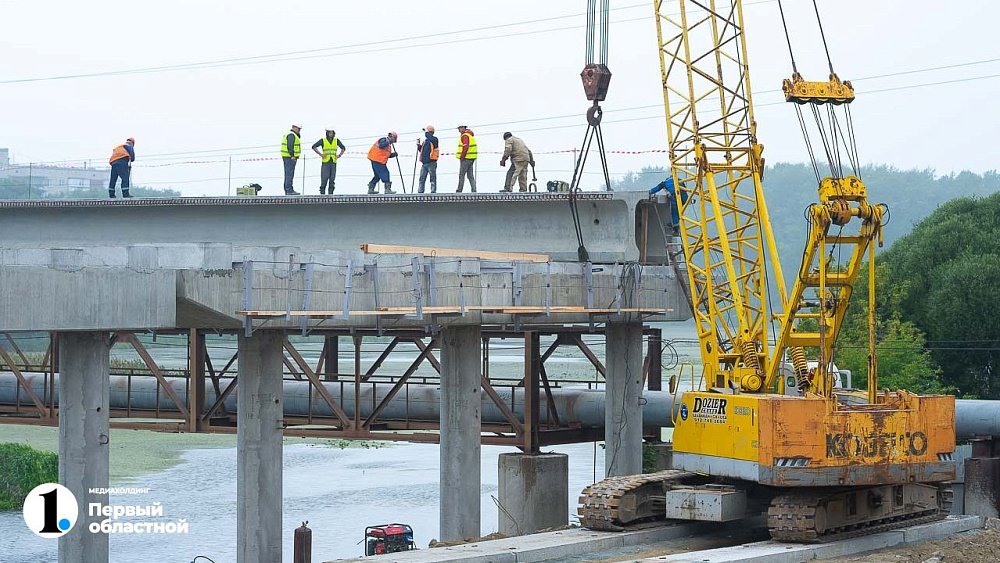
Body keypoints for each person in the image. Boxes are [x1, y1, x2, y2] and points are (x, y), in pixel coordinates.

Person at [311, 127, 346, 194]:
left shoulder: (336, 140)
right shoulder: (323, 140)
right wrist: (321, 154)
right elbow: (314, 146)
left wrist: (339, 155)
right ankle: (322, 192)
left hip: (333, 161)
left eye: (332, 132)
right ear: (327, 133)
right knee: (324, 177)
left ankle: (331, 193)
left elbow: (343, 148)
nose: (331, 134)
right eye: (329, 132)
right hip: (325, 161)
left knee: (332, 178)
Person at [417, 125, 440, 194]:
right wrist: (418, 145)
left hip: (431, 162)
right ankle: (420, 191)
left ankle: (433, 191)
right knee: (422, 178)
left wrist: (426, 132)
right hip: (424, 163)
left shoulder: (434, 139)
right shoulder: (426, 141)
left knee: (432, 177)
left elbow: (430, 137)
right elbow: (422, 150)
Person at [281, 123, 303, 195]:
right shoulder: (291, 135)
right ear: (293, 127)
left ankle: (288, 189)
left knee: (289, 174)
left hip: (288, 157)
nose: (299, 130)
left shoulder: (291, 134)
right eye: (298, 129)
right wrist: (292, 155)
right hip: (289, 157)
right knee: (289, 174)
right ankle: (289, 190)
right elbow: (290, 145)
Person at [455, 125, 477, 192]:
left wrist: (462, 157)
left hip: (466, 158)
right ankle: (474, 190)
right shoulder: (470, 135)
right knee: (470, 175)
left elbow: (465, 147)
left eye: (459, 128)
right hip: (471, 158)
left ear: (463, 128)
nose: (458, 130)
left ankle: (459, 190)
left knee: (462, 175)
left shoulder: (465, 136)